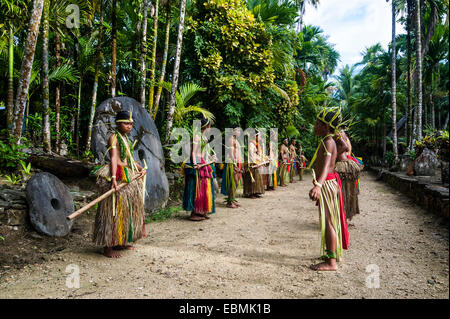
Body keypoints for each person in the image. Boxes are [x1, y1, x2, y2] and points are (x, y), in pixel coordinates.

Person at [93, 110, 147, 258]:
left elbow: (128, 160)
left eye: (131, 124)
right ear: (117, 123)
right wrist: (114, 179)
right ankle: (109, 246)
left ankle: (122, 240)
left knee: (127, 208)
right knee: (113, 210)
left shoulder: (126, 139)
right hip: (115, 173)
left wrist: (141, 169)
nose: (129, 126)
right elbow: (114, 159)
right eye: (126, 123)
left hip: (126, 171)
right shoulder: (114, 137)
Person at [308, 107, 349, 271]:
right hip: (329, 183)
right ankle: (331, 253)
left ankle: (331, 263)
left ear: (325, 126)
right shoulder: (329, 141)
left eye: (317, 123)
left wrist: (318, 185)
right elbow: (342, 149)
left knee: (329, 222)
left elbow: (326, 167)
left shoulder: (327, 142)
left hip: (327, 184)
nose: (314, 126)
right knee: (328, 221)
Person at [182, 118, 215, 221]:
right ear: (205, 126)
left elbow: (206, 151)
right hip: (198, 162)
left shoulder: (204, 137)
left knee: (204, 187)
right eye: (209, 126)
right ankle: (194, 212)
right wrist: (196, 164)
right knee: (197, 187)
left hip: (204, 163)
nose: (210, 128)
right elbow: (194, 152)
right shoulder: (197, 136)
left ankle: (202, 210)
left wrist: (212, 157)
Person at [334, 128, 363, 220]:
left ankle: (343, 214)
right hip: (345, 163)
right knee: (346, 190)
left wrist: (334, 156)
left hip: (342, 164)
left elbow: (345, 147)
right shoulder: (340, 133)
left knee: (345, 191)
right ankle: (344, 213)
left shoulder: (338, 134)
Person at [221, 125, 243, 208]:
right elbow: (231, 153)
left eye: (239, 130)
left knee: (236, 182)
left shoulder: (236, 140)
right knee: (234, 182)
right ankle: (229, 202)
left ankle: (232, 199)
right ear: (233, 131)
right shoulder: (231, 139)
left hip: (236, 163)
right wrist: (234, 164)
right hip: (231, 163)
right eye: (237, 130)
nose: (239, 132)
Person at [243, 131, 265, 198]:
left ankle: (255, 192)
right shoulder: (251, 144)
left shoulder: (256, 144)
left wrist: (261, 160)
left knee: (257, 178)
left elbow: (258, 154)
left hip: (256, 163)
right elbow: (251, 155)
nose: (260, 138)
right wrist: (256, 163)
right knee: (252, 178)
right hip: (252, 164)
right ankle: (251, 193)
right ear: (255, 137)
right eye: (259, 136)